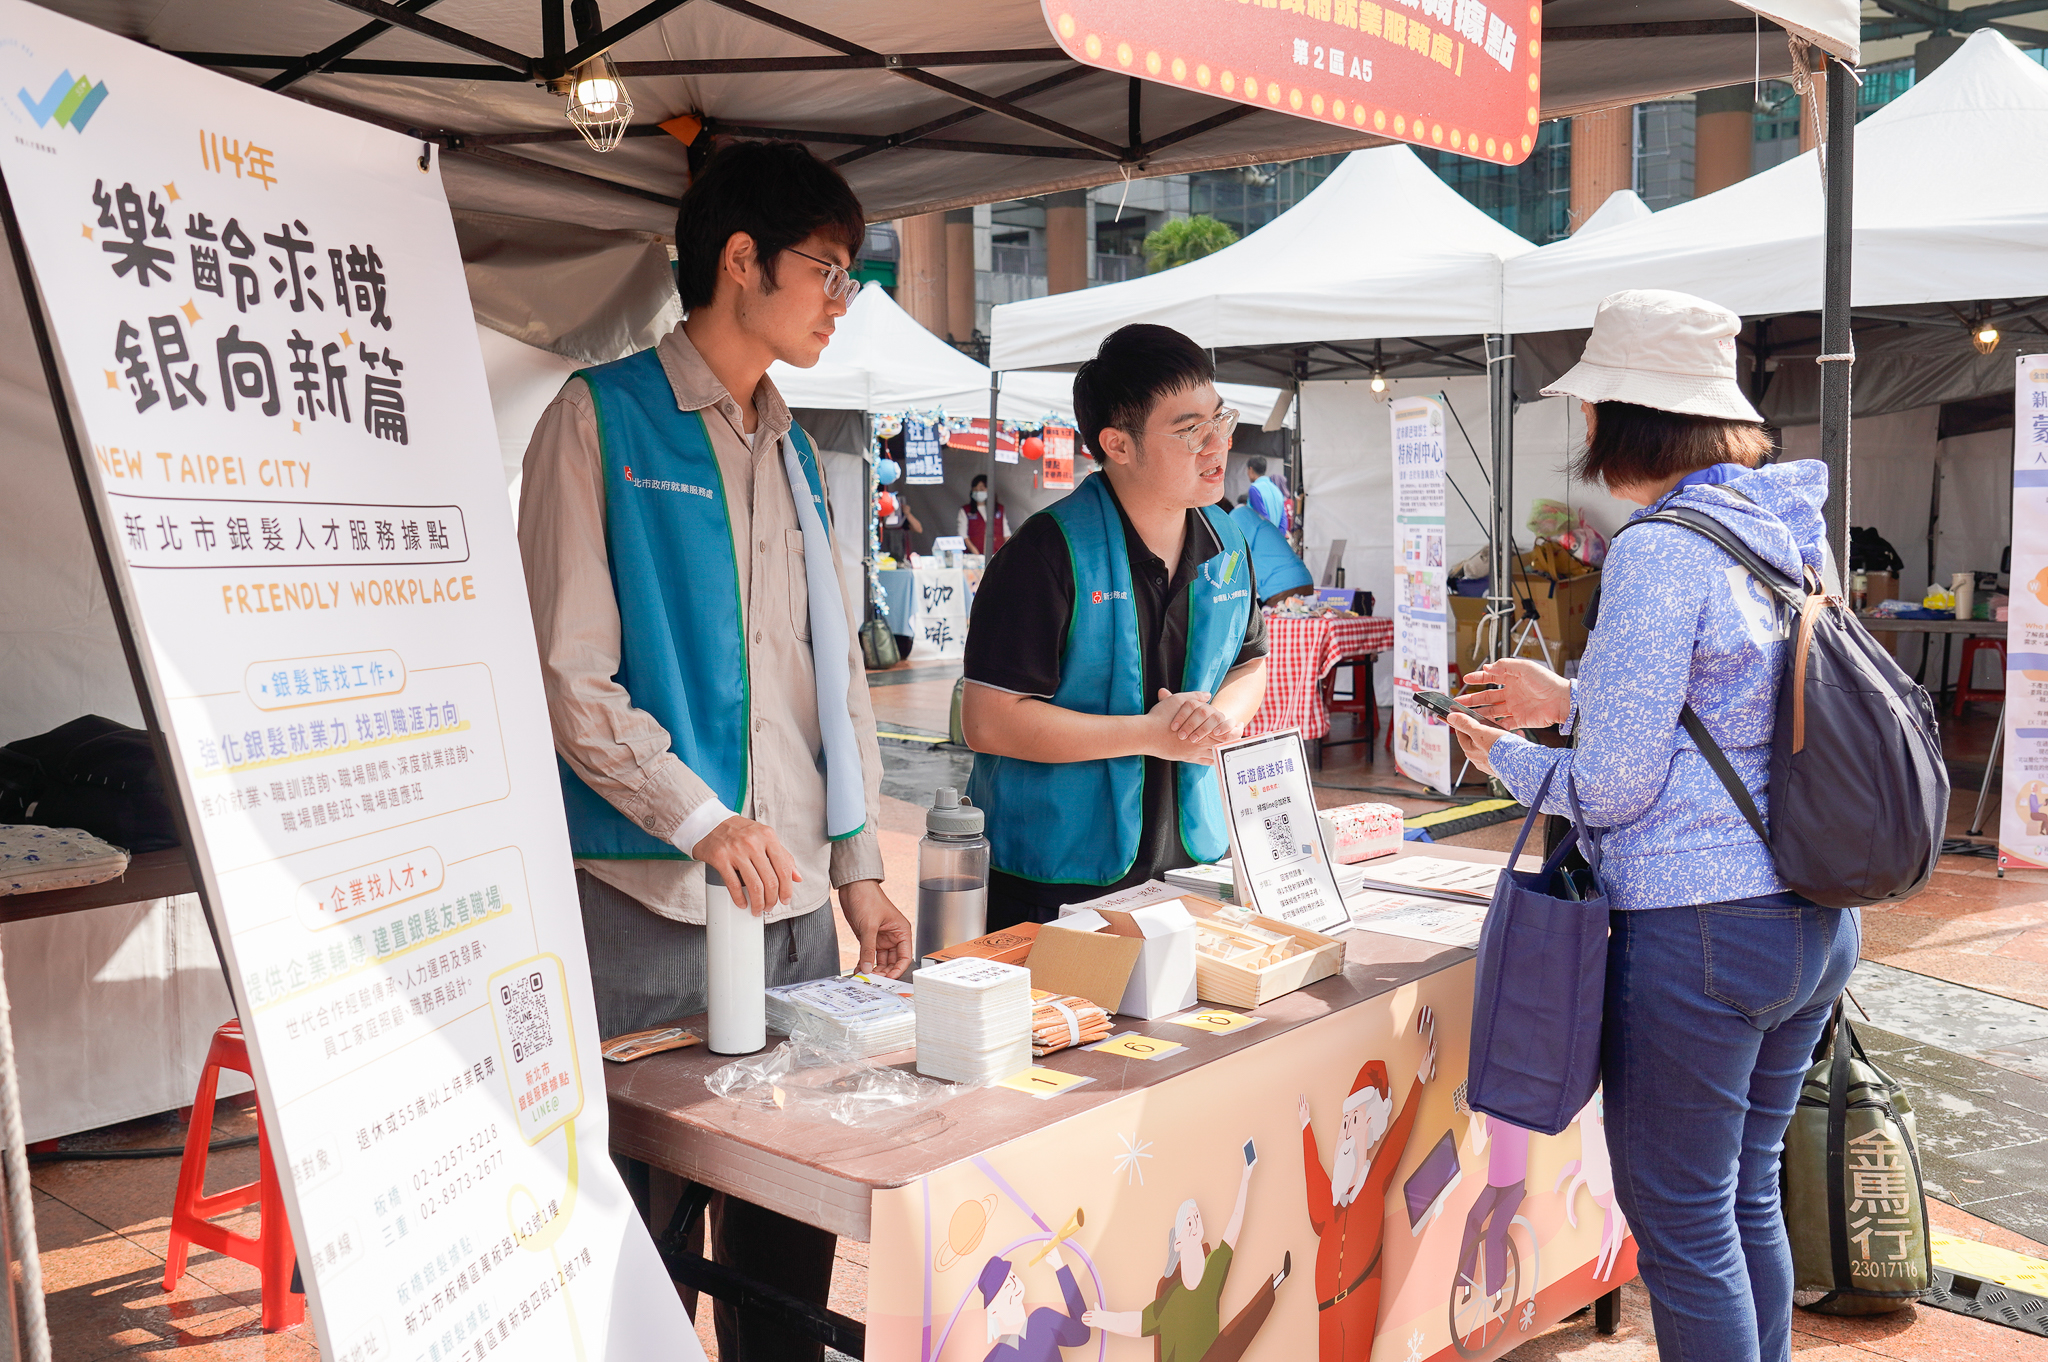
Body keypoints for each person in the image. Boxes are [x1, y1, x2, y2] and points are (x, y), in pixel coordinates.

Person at [516, 138, 913, 1362]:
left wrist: (857, 868)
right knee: (637, 1236)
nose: (842, 301)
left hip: (791, 911)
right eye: (828, 270)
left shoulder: (794, 449)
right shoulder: (599, 417)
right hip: (648, 907)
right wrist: (701, 819)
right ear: (741, 260)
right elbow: (568, 677)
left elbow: (830, 678)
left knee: (783, 1240)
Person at [1440, 289, 1859, 1362]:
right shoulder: (1781, 529)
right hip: (1812, 915)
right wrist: (1571, 699)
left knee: (1682, 1226)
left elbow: (1616, 788)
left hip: (1699, 931)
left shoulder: (1659, 549)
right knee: (1742, 1196)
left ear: (1614, 416)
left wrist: (1504, 757)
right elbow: (1738, 707)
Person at [961, 325, 1269, 929]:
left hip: (1191, 863)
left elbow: (1250, 662)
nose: (1218, 446)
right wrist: (1150, 735)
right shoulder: (1045, 553)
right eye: (1190, 431)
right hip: (1054, 879)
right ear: (1118, 444)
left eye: (1220, 419)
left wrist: (1219, 720)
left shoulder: (1228, 540)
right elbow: (988, 721)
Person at [1299, 1009, 1435, 1361]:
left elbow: (1399, 1135)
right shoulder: (1335, 1198)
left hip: (1360, 1295)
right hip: (1328, 1308)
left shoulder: (1372, 1185)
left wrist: (1419, 1080)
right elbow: (1316, 1189)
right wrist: (1306, 1129)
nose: (1346, 1132)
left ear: (1371, 1125)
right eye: (1345, 1122)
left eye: (1355, 1121)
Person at [1082, 1158, 1290, 1362]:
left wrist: (1245, 1179)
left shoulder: (1213, 1272)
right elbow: (1135, 1323)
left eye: (1196, 1217)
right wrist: (1102, 1319)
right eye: (1188, 1222)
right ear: (1177, 1243)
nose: (1195, 1223)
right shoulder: (1171, 1299)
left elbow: (1234, 1226)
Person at [976, 1245, 1090, 1360]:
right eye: (1007, 1286)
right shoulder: (994, 1358)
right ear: (993, 1311)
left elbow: (1081, 1333)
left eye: (1013, 1277)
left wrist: (1059, 1266)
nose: (1014, 1285)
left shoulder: (1042, 1319)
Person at [1226, 495, 1312, 605]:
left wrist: (1220, 583)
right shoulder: (1248, 515)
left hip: (1282, 587)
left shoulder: (1238, 515)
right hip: (1296, 582)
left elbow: (1235, 553)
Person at [956, 473, 1010, 556]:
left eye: (981, 489)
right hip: (974, 556)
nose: (978, 492)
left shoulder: (999, 509)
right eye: (975, 490)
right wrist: (975, 551)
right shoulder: (966, 510)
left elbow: (1006, 533)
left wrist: (1010, 551)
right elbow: (962, 535)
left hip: (997, 553)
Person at [1243, 454, 1289, 533]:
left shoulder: (1254, 489)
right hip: (1276, 537)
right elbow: (1283, 520)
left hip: (1262, 536)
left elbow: (1262, 518)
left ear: (1250, 469)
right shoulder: (1277, 490)